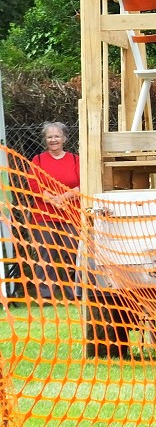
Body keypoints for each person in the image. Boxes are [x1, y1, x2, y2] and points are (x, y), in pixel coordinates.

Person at [26, 122, 81, 301]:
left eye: (57, 136)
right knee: (45, 255)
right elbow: (33, 185)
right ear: (45, 140)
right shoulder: (38, 160)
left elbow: (84, 183)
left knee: (74, 254)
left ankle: (75, 292)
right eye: (50, 137)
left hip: (71, 215)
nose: (53, 140)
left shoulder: (75, 159)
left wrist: (63, 198)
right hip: (43, 215)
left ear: (64, 138)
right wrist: (52, 199)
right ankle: (46, 295)